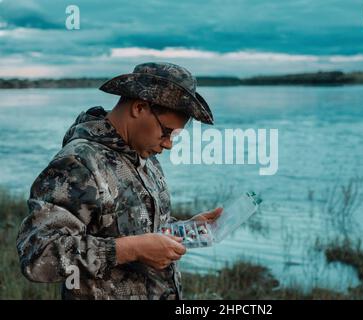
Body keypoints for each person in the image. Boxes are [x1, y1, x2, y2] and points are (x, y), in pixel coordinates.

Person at [16, 62, 222, 300]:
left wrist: (184, 230)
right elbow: (38, 256)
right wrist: (130, 250)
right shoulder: (78, 162)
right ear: (139, 107)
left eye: (174, 135)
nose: (168, 144)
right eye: (166, 132)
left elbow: (139, 228)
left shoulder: (144, 154)